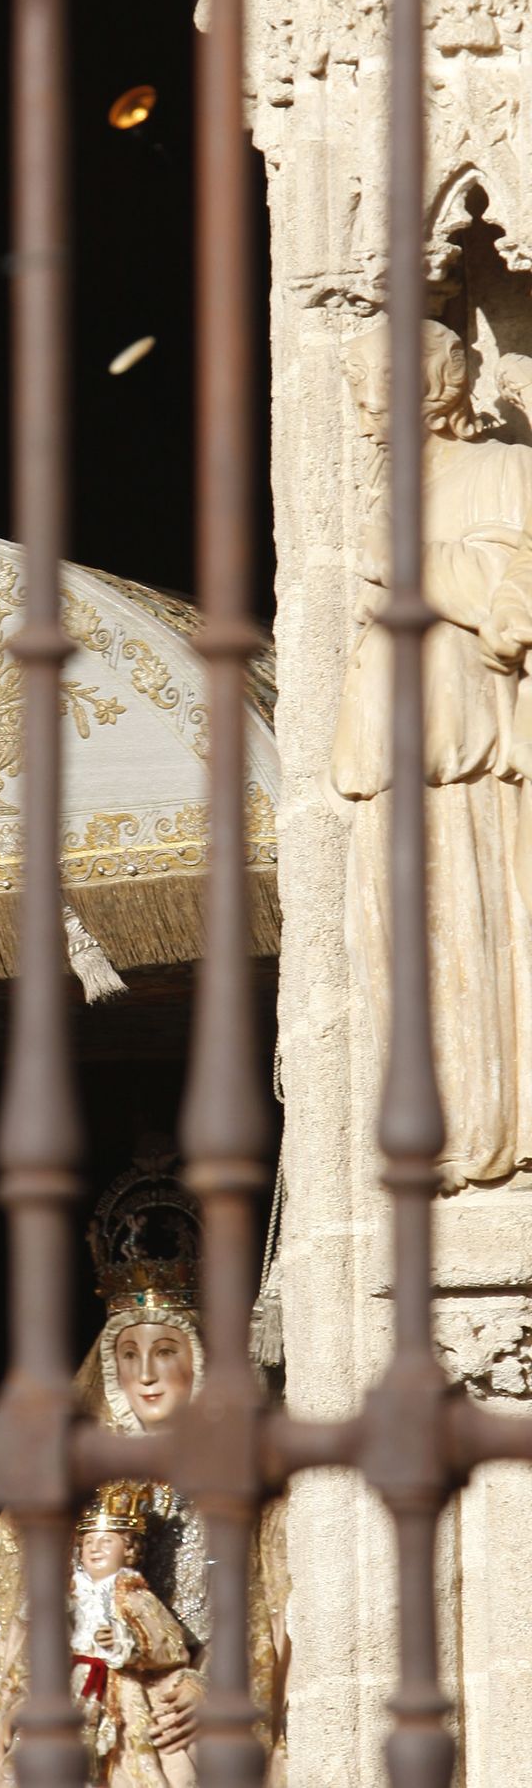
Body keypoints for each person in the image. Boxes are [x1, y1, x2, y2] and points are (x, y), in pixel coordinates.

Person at [0, 1164, 288, 1788]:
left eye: (166, 1351)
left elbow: (265, 1614)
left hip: (182, 1726)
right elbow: (4, 1624)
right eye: (129, 1354)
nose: (146, 1374)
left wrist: (209, 1687)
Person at [332, 319, 532, 1186]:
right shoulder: (391, 502)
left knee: (469, 929)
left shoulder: (502, 470)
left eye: (381, 389)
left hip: (467, 756)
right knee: (392, 943)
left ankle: (484, 1130)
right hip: (388, 753)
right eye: (360, 391)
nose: (368, 412)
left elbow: (509, 600)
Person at [70, 1482, 198, 1788]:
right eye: (88, 1542)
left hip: (122, 1688)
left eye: (106, 1541)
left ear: (128, 1549)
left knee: (124, 1758)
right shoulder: (72, 1596)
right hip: (73, 1686)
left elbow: (168, 1643)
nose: (95, 1549)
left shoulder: (135, 1595)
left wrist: (125, 1642)